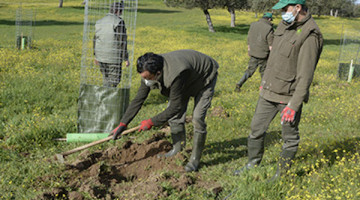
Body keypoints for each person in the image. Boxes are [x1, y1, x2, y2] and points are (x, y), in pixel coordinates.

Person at [234, 0, 323, 181]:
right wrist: (264, 80)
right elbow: (273, 58)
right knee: (256, 129)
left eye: (285, 9)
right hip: (269, 90)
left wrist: (294, 104)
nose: (282, 13)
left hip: (288, 97)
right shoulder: (284, 25)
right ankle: (253, 162)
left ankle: (280, 175)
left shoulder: (310, 34)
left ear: (298, 8)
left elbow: (305, 75)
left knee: (289, 138)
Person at [110, 50, 219, 172]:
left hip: (204, 77)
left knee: (198, 118)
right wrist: (123, 124)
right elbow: (138, 99)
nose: (145, 81)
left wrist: (152, 122)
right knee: (174, 117)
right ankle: (178, 150)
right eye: (143, 77)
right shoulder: (148, 70)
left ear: (158, 73)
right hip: (185, 80)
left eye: (147, 78)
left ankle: (194, 160)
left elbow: (175, 106)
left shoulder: (176, 73)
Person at [234, 12, 274, 92]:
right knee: (264, 72)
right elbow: (271, 46)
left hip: (253, 53)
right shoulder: (269, 28)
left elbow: (249, 38)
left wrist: (249, 50)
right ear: (269, 19)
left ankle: (239, 84)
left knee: (249, 71)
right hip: (264, 55)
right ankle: (263, 89)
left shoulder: (253, 25)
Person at [93, 1, 129, 87]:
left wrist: (95, 55)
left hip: (100, 56)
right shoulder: (119, 22)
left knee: (106, 78)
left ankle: (104, 96)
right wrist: (126, 58)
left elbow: (95, 39)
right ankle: (109, 98)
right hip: (113, 57)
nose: (121, 14)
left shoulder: (100, 21)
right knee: (114, 81)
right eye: (121, 12)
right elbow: (122, 41)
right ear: (118, 11)